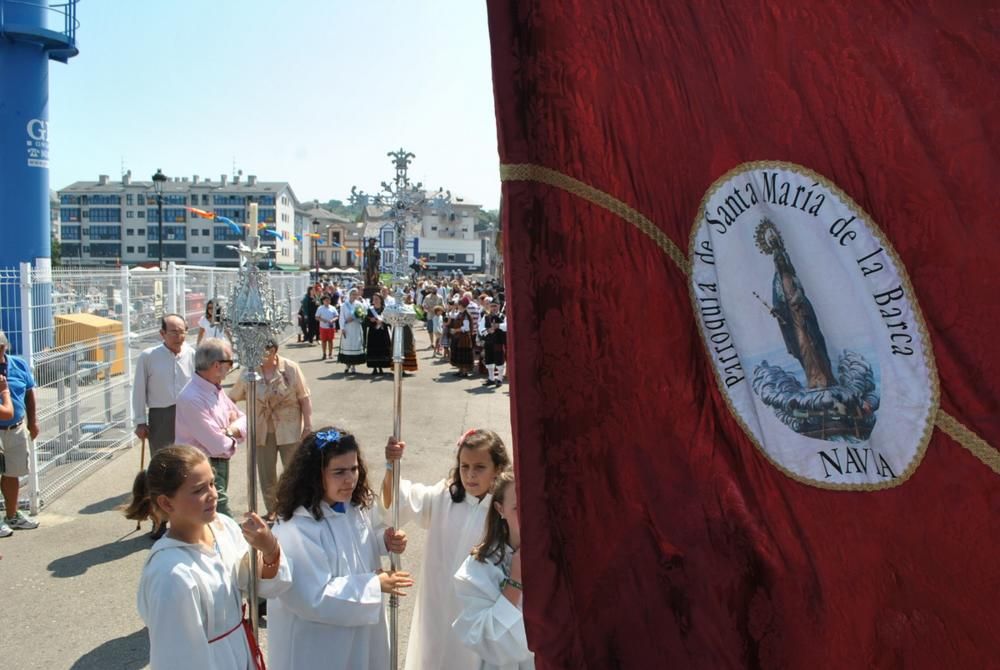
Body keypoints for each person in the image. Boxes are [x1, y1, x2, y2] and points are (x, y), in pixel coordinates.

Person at [125, 445, 291, 670]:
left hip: (240, 651)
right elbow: (176, 659)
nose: (212, 494)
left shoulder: (223, 527)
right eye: (198, 490)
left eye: (212, 483)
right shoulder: (171, 574)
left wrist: (269, 550)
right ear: (166, 503)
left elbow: (255, 583)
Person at [267, 428, 412, 670]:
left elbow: (362, 543)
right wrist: (374, 585)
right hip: (321, 644)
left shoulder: (353, 506)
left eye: (354, 469)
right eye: (339, 472)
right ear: (314, 475)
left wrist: (385, 541)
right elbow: (311, 596)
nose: (350, 479)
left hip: (359, 633)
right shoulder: (298, 528)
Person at [383, 429, 512, 670]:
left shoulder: (504, 510)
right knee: (433, 656)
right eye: (464, 467)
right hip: (438, 606)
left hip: (476, 612)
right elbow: (398, 502)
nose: (470, 475)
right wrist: (392, 466)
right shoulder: (446, 496)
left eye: (480, 467)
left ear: (497, 468)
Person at [453, 472, 533, 669]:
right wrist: (516, 581)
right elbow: (487, 642)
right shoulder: (478, 567)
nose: (528, 516)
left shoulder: (562, 560)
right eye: (517, 508)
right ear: (500, 509)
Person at [229, 339, 312, 520]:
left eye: (262, 351)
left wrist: (308, 425)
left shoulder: (291, 368)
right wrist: (235, 420)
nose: (257, 355)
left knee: (293, 470)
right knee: (267, 474)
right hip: (261, 429)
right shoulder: (250, 372)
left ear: (273, 350)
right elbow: (232, 398)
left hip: (289, 427)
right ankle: (272, 509)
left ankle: (295, 508)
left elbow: (304, 398)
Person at [133, 313, 197, 538]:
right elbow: (139, 390)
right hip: (161, 415)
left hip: (187, 415)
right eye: (174, 331)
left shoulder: (192, 354)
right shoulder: (148, 357)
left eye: (182, 331)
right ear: (162, 333)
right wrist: (140, 420)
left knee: (187, 468)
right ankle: (159, 520)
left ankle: (187, 518)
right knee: (161, 469)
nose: (179, 336)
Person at [175, 338, 246, 518]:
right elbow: (218, 444)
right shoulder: (192, 398)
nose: (231, 367)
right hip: (201, 466)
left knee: (212, 517)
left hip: (218, 463)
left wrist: (229, 430)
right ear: (216, 365)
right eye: (230, 362)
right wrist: (232, 431)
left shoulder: (214, 389)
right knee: (217, 515)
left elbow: (243, 419)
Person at [0, 330, 40, 537]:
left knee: (13, 473)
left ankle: (12, 515)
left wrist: (33, 421)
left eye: (0, 347)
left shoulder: (18, 364)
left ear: (5, 347)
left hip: (15, 428)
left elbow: (29, 393)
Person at [337, 288, 367, 375]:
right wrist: (342, 328)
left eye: (356, 294)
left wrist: (358, 318)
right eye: (353, 294)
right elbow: (341, 317)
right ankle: (347, 365)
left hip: (356, 327)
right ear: (349, 295)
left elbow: (362, 316)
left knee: (355, 345)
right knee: (347, 345)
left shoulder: (359, 304)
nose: (354, 296)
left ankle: (353, 365)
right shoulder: (344, 305)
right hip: (347, 327)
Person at [479, 301, 508, 388]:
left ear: (499, 306)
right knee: (489, 360)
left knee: (499, 361)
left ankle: (499, 379)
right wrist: (488, 331)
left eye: (495, 306)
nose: (493, 308)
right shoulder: (486, 317)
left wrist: (498, 326)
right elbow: (481, 329)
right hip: (488, 342)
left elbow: (507, 326)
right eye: (492, 306)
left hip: (498, 342)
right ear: (489, 307)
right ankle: (491, 379)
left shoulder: (503, 316)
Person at [365, 293, 392, 375]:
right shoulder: (370, 310)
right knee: (373, 349)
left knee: (382, 348)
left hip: (382, 332)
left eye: (377, 299)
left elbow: (389, 321)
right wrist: (371, 320)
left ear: (381, 299)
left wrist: (383, 321)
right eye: (374, 299)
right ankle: (374, 367)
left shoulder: (385, 309)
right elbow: (366, 321)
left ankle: (381, 367)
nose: (375, 301)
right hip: (373, 332)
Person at [449, 299, 475, 377]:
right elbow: (452, 316)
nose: (457, 305)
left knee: (464, 354)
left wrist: (455, 330)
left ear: (462, 305)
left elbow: (466, 328)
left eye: (459, 304)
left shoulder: (466, 315)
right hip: (459, 337)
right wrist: (453, 309)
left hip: (464, 338)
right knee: (459, 353)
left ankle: (464, 372)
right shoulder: (460, 313)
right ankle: (460, 370)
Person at [315, 294, 339, 361]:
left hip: (331, 327)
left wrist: (333, 320)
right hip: (323, 327)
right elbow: (316, 317)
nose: (327, 301)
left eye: (328, 300)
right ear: (323, 301)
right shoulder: (320, 308)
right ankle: (324, 354)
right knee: (324, 341)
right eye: (326, 300)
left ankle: (330, 354)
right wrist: (323, 320)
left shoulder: (333, 308)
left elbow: (337, 316)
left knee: (330, 341)